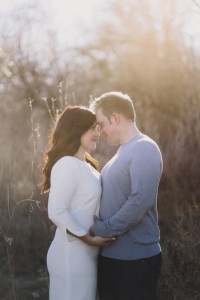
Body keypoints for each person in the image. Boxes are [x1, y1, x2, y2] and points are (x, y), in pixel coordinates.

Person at [89, 92, 163, 300]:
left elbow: (139, 202)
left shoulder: (144, 148)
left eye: (102, 123)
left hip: (135, 261)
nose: (100, 131)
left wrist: (102, 229)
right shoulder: (123, 151)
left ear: (115, 118)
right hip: (114, 258)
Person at [41, 106, 114, 300]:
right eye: (91, 128)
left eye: (97, 128)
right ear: (76, 129)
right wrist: (88, 238)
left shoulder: (88, 166)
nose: (96, 134)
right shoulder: (66, 164)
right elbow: (56, 211)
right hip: (71, 255)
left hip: (87, 255)